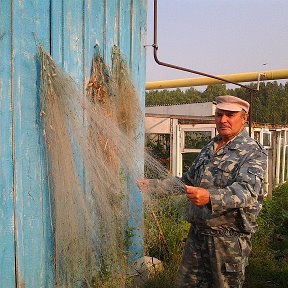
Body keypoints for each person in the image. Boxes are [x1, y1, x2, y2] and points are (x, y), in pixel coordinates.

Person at [137, 95, 268, 288]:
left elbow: (246, 192)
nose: (223, 120)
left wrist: (209, 197)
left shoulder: (252, 152)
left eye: (230, 115)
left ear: (244, 118)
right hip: (198, 235)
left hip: (227, 241)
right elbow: (187, 182)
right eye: (219, 114)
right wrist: (153, 185)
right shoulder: (210, 148)